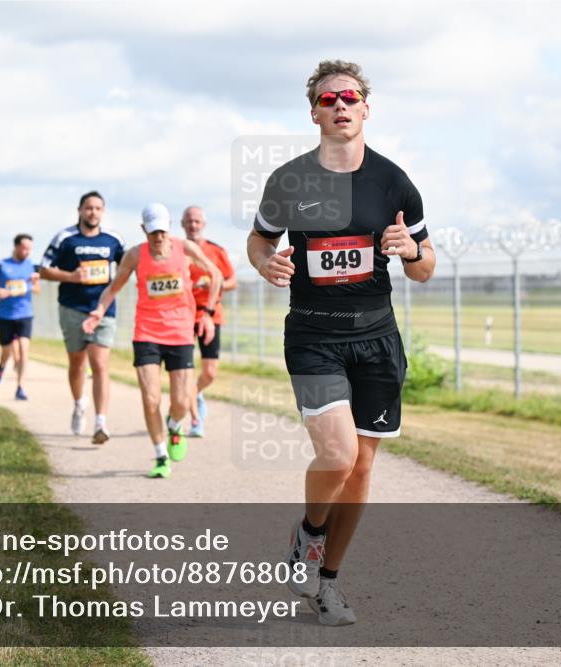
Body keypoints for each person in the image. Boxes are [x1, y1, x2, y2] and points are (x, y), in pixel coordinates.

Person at [247, 60, 436, 626]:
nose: (341, 106)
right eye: (329, 100)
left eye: (350, 97)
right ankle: (307, 538)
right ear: (314, 113)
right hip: (313, 334)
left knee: (360, 470)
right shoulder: (288, 180)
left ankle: (327, 583)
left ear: (366, 108)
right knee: (338, 453)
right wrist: (266, 264)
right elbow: (258, 241)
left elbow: (427, 268)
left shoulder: (394, 182)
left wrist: (409, 251)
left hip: (377, 337)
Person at [82, 203, 222, 479]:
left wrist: (206, 314)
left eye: (162, 231)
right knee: (150, 398)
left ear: (168, 227)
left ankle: (175, 425)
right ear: (143, 229)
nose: (158, 238)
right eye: (152, 232)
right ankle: (160, 455)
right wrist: (98, 311)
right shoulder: (135, 255)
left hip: (180, 332)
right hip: (146, 332)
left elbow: (215, 274)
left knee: (181, 401)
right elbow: (114, 287)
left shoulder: (185, 249)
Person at [39, 191, 125, 443]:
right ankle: (79, 404)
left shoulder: (113, 240)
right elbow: (43, 270)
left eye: (98, 208)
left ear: (103, 212)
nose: (93, 212)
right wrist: (71, 277)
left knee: (99, 364)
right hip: (72, 308)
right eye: (88, 208)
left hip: (103, 310)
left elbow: (127, 267)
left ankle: (101, 422)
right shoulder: (65, 238)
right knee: (77, 363)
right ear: (79, 210)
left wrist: (112, 290)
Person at [180, 205, 237, 437]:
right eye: (189, 221)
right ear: (183, 224)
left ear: (203, 224)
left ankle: (195, 393)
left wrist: (211, 283)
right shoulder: (177, 251)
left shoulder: (216, 251)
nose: (193, 225)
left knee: (210, 373)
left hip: (210, 315)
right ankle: (195, 421)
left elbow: (232, 282)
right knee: (185, 369)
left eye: (197, 221)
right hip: (183, 316)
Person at [0, 234, 40, 400]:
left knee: (23, 349)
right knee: (6, 350)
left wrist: (34, 283)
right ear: (15, 247)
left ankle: (20, 387)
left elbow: (37, 290)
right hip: (5, 315)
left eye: (29, 249)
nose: (27, 252)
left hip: (25, 314)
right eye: (24, 248)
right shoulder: (2, 265)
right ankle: (1, 366)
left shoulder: (33, 267)